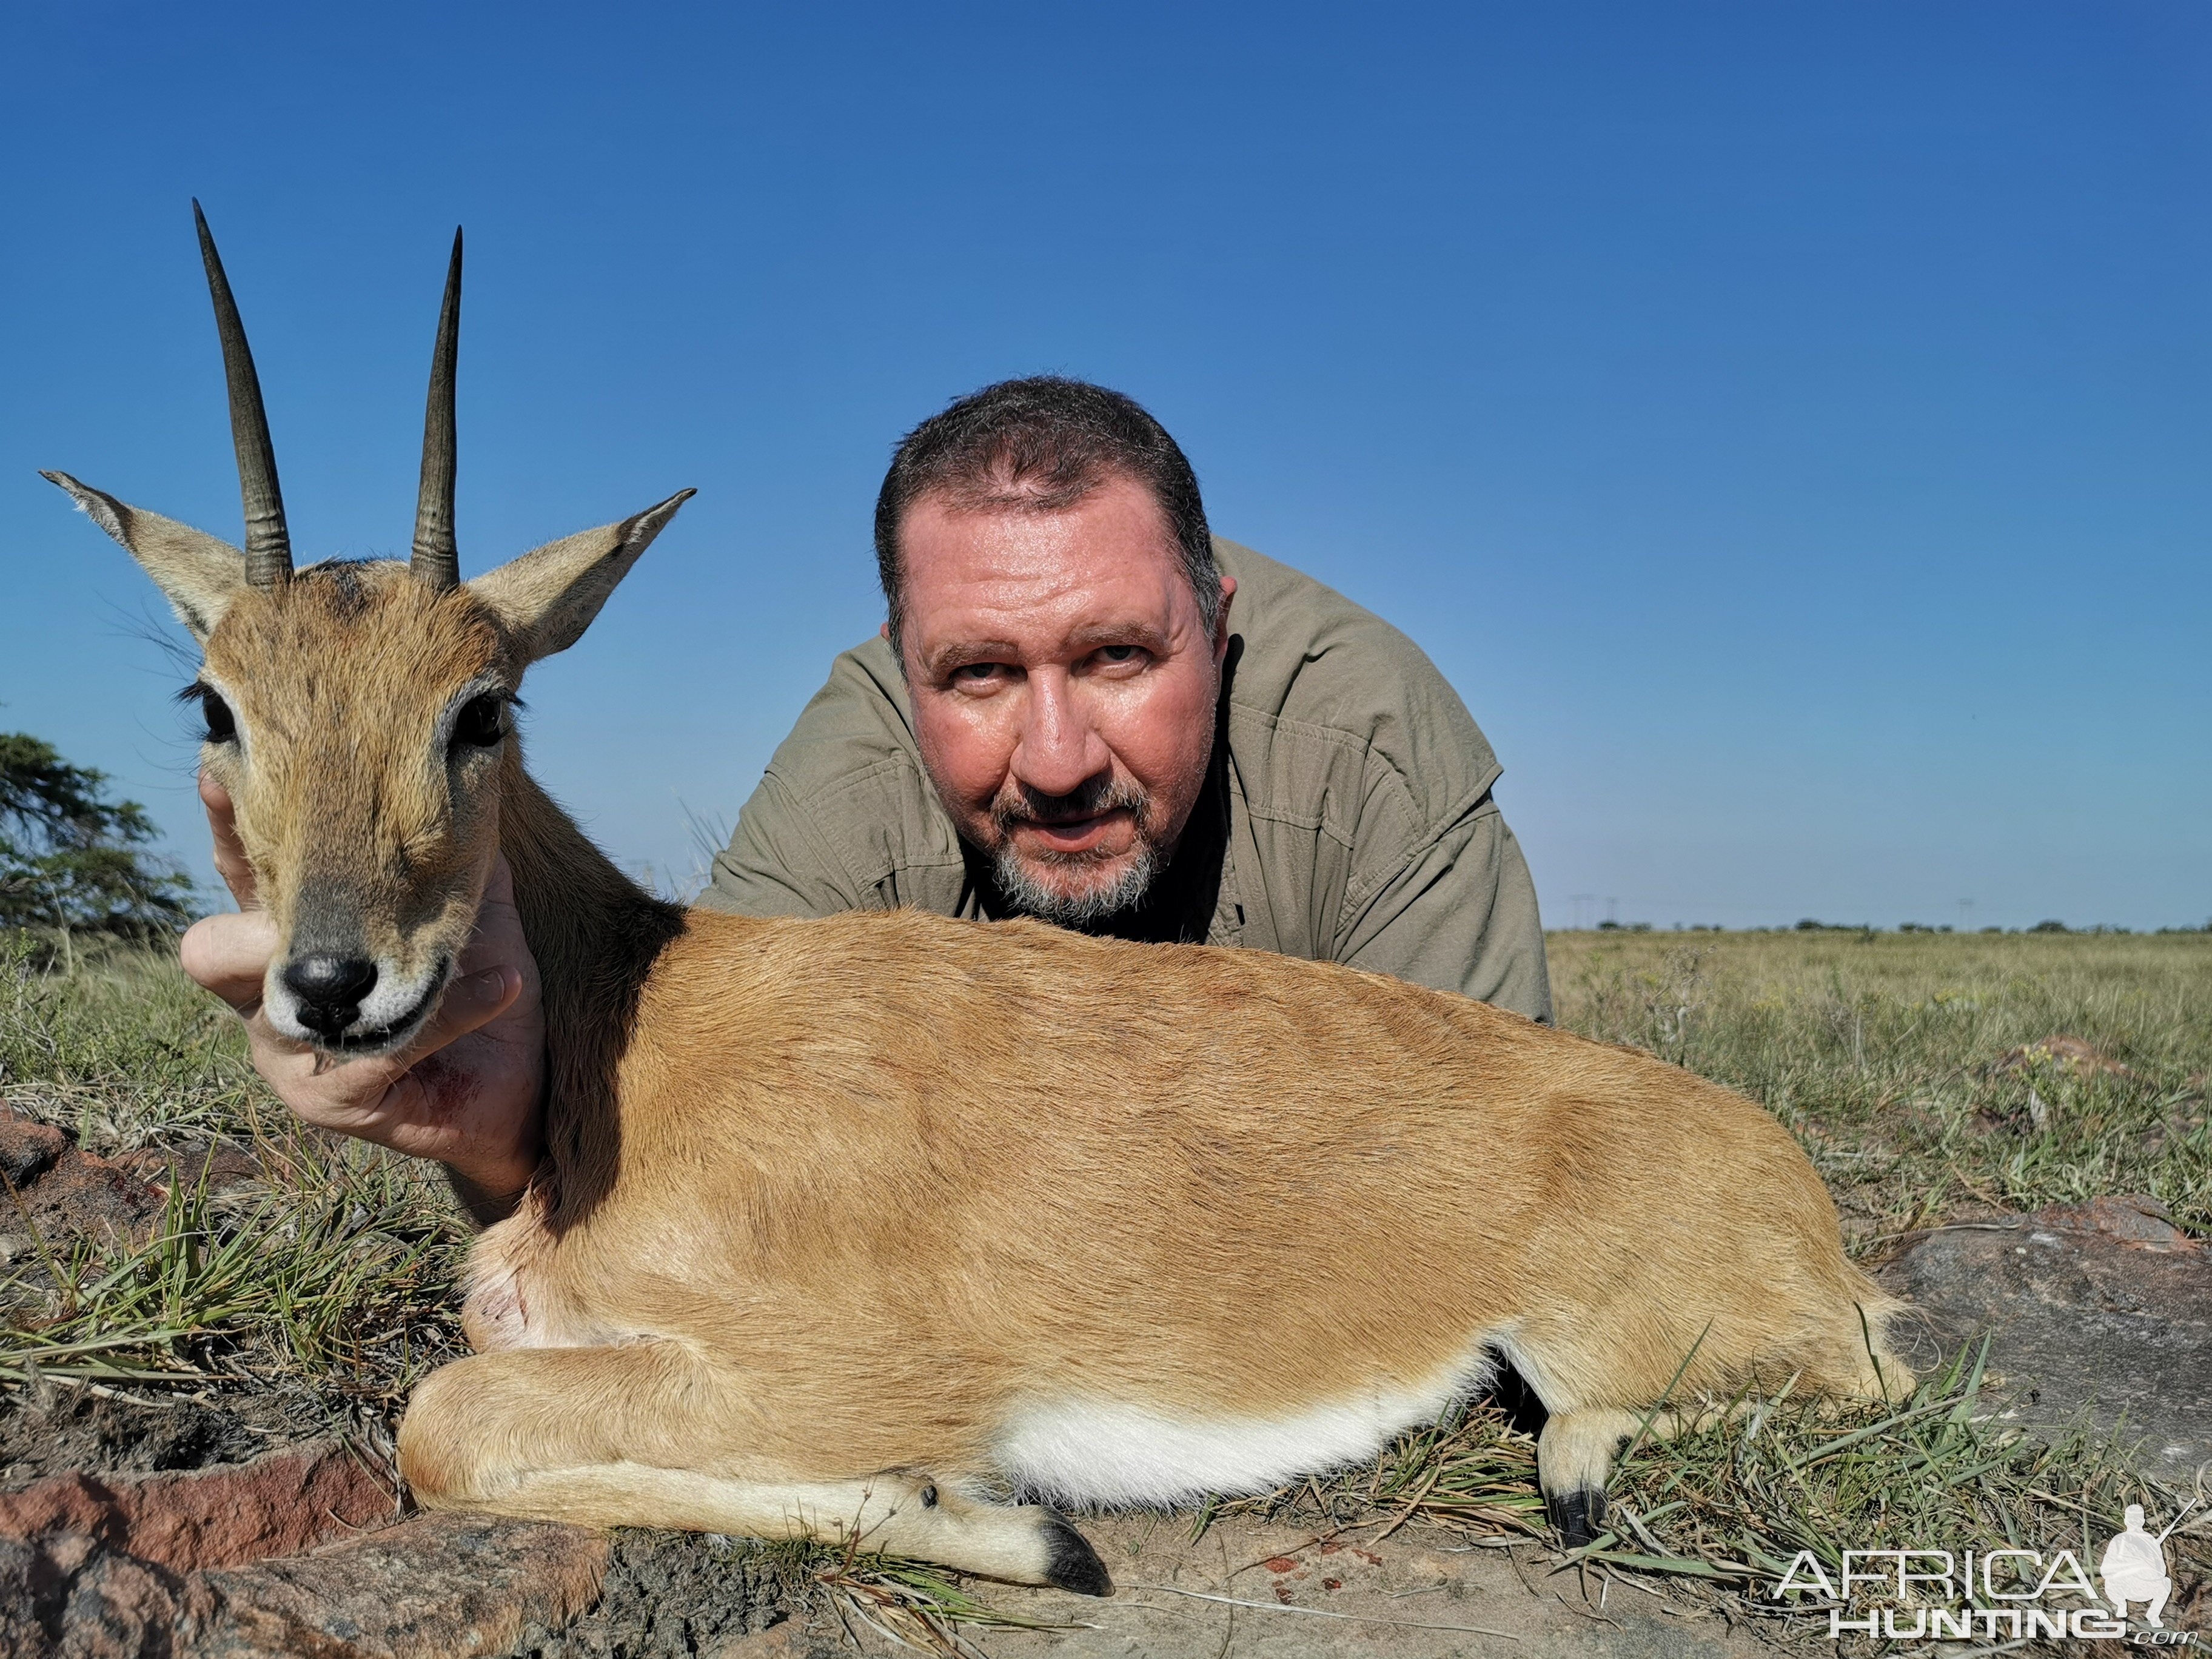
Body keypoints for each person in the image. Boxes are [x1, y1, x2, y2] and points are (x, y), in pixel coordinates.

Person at [181, 377, 1550, 1222]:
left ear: (1219, 621)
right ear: (902, 672)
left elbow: (1517, 1167)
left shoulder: (1369, 742)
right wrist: (497, 1143)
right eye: (979, 675)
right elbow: (690, 1152)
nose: (1060, 755)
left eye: (1121, 657)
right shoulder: (853, 772)